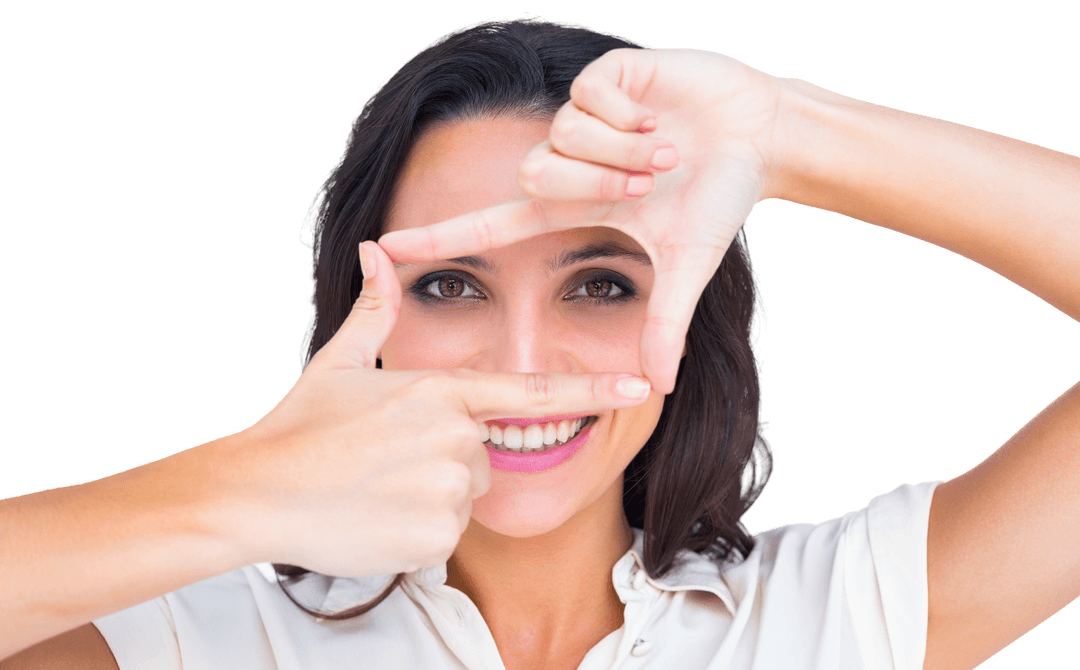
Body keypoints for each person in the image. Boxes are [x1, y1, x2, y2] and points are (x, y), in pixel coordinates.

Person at [2, 15, 1078, 670]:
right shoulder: (198, 643)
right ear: (360, 315)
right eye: (451, 283)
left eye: (600, 281)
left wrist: (791, 134)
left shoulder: (841, 620)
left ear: (689, 310)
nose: (522, 358)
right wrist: (241, 490)